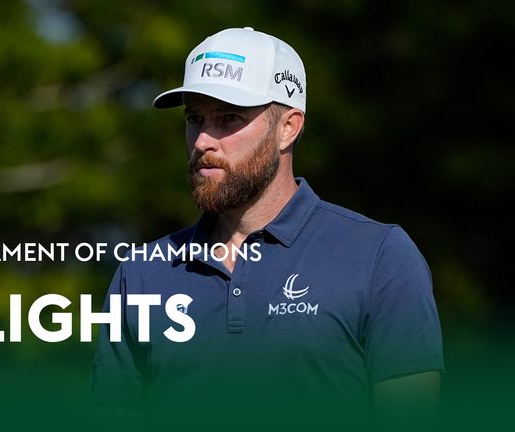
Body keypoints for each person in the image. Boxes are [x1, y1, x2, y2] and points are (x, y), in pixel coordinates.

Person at [90, 27, 444, 424]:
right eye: (195, 118)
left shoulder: (379, 256)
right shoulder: (141, 273)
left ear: (288, 128)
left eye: (228, 118)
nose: (204, 140)